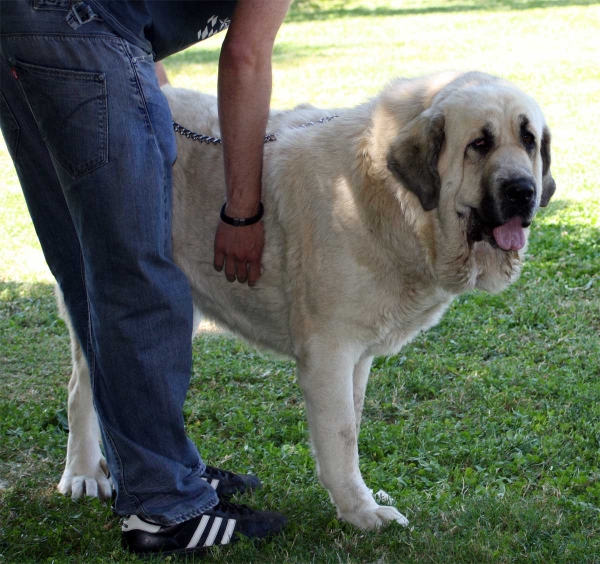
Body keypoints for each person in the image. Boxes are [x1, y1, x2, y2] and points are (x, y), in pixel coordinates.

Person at [0, 0, 291, 556]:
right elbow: (247, 58)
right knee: (139, 278)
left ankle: (157, 468)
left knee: (89, 269)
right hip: (79, 30)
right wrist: (242, 211)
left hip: (27, 29)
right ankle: (165, 505)